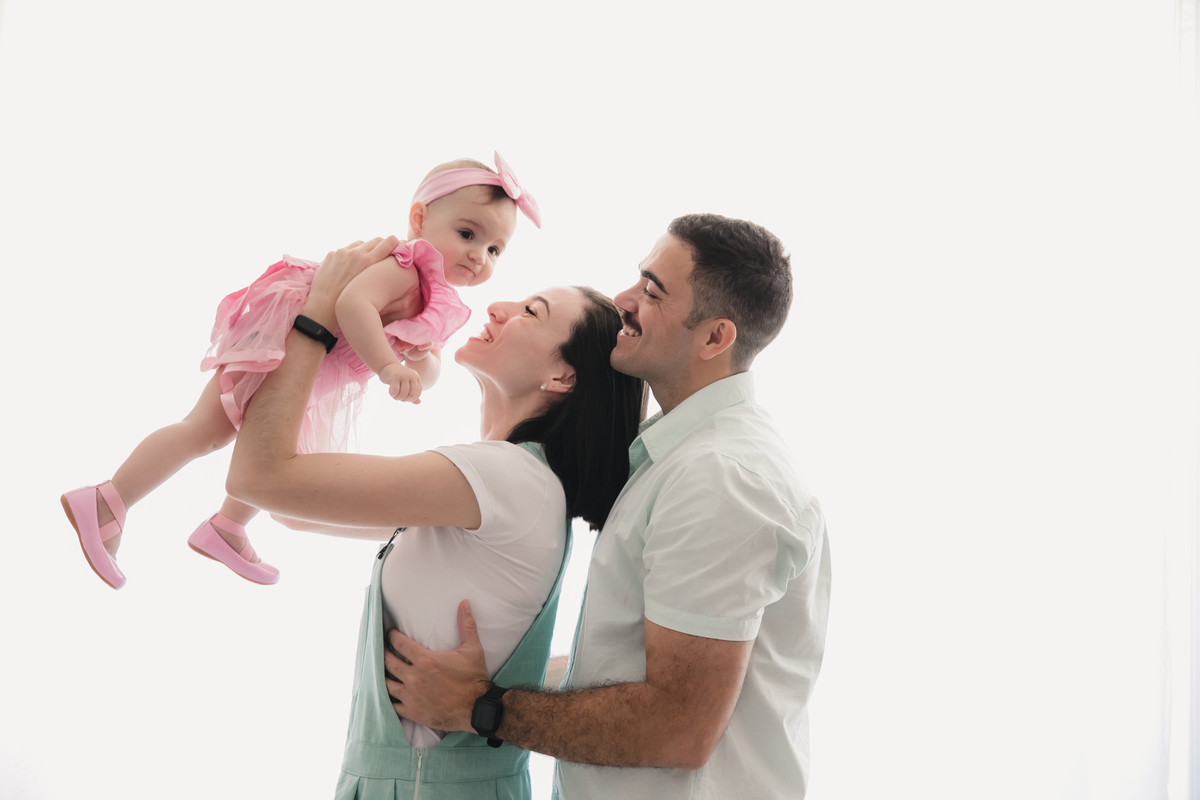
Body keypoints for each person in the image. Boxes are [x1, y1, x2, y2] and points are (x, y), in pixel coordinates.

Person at [382, 214, 832, 799]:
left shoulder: (720, 478)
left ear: (714, 338)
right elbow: (633, 666)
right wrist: (501, 671)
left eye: (653, 291)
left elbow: (677, 727)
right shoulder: (677, 457)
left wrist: (480, 706)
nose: (623, 300)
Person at [224, 237, 646, 798]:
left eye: (531, 312)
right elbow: (290, 509)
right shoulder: (505, 485)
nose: (497, 307)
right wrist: (344, 351)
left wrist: (318, 314)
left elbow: (260, 479)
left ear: (562, 378)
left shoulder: (504, 477)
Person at [60, 152, 539, 589]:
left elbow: (431, 364)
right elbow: (352, 305)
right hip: (286, 341)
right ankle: (106, 500)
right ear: (419, 219)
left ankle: (227, 527)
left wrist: (417, 365)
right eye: (467, 234)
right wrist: (388, 365)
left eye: (495, 250)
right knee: (205, 430)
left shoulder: (440, 303)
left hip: (312, 370)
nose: (479, 255)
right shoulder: (405, 267)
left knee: (282, 450)